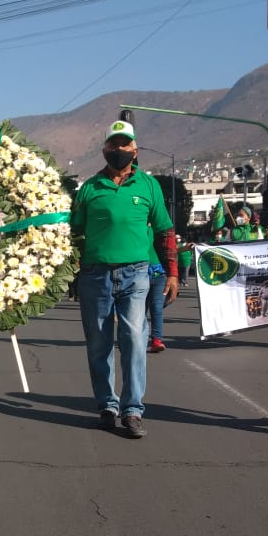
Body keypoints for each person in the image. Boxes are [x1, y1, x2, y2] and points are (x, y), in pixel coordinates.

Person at [71, 119, 178, 438]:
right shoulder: (90, 188)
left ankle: (132, 409)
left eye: (124, 144)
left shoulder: (148, 186)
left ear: (135, 150)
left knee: (134, 338)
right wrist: (70, 272)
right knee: (98, 343)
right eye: (113, 145)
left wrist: (172, 272)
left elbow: (165, 231)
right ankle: (107, 405)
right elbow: (73, 234)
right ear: (104, 149)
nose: (118, 150)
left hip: (136, 273)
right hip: (94, 275)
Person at [145, 230, 169, 353]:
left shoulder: (159, 231)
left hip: (159, 275)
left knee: (156, 307)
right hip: (139, 274)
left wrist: (185, 248)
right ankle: (139, 339)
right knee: (138, 311)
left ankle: (156, 340)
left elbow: (170, 252)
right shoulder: (135, 226)